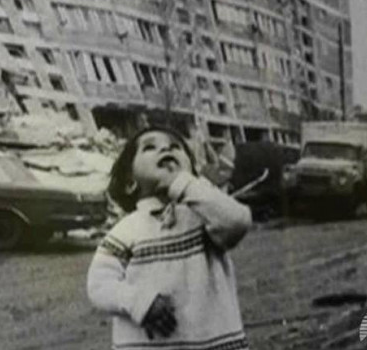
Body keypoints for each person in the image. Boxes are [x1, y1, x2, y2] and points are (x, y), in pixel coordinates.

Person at [87, 127, 252, 350]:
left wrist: (185, 185)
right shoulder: (125, 231)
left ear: (191, 170)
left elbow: (237, 221)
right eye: (149, 147)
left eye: (175, 146)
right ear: (130, 181)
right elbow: (99, 285)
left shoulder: (204, 215)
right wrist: (139, 303)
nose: (166, 148)